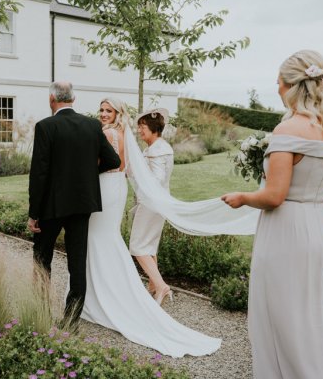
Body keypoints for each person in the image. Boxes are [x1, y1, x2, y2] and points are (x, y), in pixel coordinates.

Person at [221, 50, 323, 378]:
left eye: (278, 83)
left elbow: (274, 196)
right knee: (308, 312)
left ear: (291, 86)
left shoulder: (287, 130)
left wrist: (242, 197)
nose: (277, 89)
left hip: (285, 229)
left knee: (278, 312)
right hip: (317, 224)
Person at [81, 97, 221, 357]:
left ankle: (159, 285)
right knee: (144, 245)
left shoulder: (122, 138)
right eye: (101, 109)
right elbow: (131, 169)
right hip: (132, 193)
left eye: (108, 110)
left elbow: (137, 173)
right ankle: (151, 287)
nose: (102, 114)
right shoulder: (145, 142)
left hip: (135, 197)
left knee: (134, 246)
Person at [27, 82, 121, 326]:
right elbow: (113, 160)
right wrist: (89, 172)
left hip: (51, 206)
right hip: (81, 205)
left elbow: (39, 173)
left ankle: (39, 310)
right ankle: (70, 321)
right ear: (74, 99)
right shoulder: (92, 125)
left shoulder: (45, 126)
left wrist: (33, 213)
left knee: (41, 259)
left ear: (51, 99)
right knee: (77, 264)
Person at [128, 108, 175, 306]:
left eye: (143, 127)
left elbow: (157, 179)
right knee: (150, 245)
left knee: (138, 246)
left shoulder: (157, 151)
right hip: (159, 204)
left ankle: (161, 285)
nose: (139, 131)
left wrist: (138, 175)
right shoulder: (157, 147)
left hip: (151, 204)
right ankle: (153, 286)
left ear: (154, 128)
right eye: (139, 127)